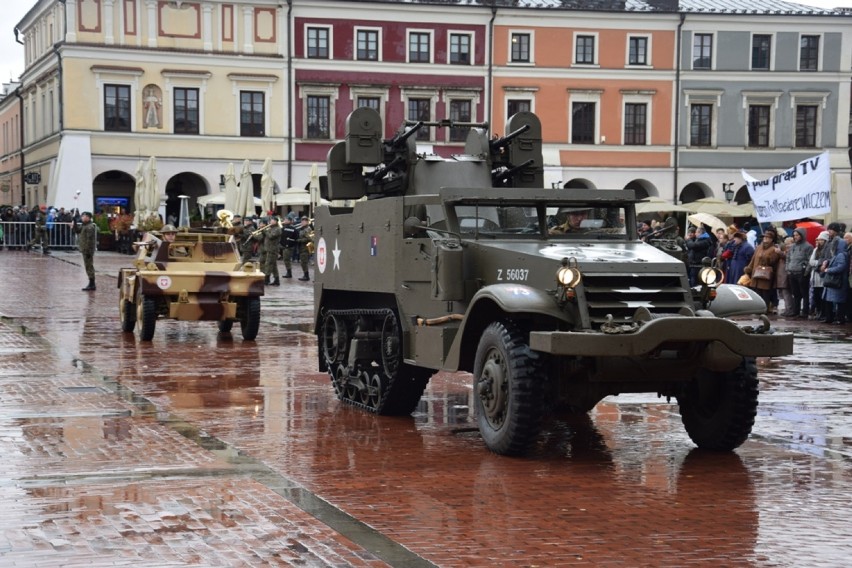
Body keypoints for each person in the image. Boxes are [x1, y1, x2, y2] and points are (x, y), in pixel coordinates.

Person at [744, 227, 781, 313]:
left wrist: (767, 257)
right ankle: (758, 308)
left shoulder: (773, 248)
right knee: (757, 292)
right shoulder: (759, 247)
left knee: (765, 293)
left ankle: (765, 308)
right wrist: (749, 268)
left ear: (771, 239)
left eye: (767, 238)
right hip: (756, 273)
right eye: (764, 237)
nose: (765, 239)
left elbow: (773, 261)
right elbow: (753, 259)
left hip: (765, 274)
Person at [783, 228, 814, 318]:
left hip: (802, 272)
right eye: (794, 235)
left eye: (797, 235)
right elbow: (788, 258)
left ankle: (805, 312)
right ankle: (796, 311)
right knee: (795, 293)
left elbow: (809, 260)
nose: (795, 237)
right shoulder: (792, 246)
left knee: (804, 293)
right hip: (792, 272)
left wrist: (806, 271)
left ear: (802, 235)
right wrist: (788, 268)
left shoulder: (808, 247)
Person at [820, 237, 848, 324]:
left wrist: (828, 270)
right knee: (831, 300)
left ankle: (839, 319)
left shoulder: (841, 255)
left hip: (837, 282)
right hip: (835, 282)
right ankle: (830, 318)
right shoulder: (838, 254)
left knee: (838, 302)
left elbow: (841, 267)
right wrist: (827, 262)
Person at [73, 211, 98, 291]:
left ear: (88, 217)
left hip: (88, 250)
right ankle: (91, 283)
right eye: (82, 216)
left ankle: (92, 283)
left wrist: (88, 251)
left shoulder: (89, 227)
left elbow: (89, 241)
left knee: (89, 266)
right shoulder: (84, 226)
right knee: (87, 266)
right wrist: (75, 223)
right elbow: (77, 231)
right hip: (84, 249)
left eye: (84, 216)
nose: (82, 218)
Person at [808, 231, 829, 320]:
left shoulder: (827, 250)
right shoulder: (815, 250)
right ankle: (819, 311)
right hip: (815, 277)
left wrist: (818, 264)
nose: (819, 242)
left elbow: (826, 261)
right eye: (818, 240)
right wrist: (819, 264)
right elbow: (811, 261)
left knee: (822, 297)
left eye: (821, 240)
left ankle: (823, 313)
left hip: (822, 277)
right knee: (816, 297)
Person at [262, 216, 282, 285]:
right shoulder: (271, 228)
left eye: (272, 220)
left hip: (273, 249)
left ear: (276, 221)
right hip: (269, 248)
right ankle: (276, 280)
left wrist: (265, 231)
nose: (270, 222)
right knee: (273, 265)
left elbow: (271, 236)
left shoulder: (277, 229)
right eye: (270, 220)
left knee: (268, 264)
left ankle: (267, 279)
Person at [297, 216, 313, 281]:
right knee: (303, 262)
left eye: (304, 221)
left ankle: (306, 276)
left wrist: (300, 240)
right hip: (301, 248)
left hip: (305, 248)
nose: (302, 223)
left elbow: (309, 238)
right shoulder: (302, 229)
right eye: (302, 221)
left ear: (307, 222)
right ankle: (305, 275)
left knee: (304, 262)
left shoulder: (307, 229)